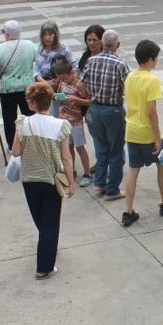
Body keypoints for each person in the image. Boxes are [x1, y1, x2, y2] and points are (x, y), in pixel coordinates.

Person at [11, 81, 75, 278]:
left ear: (31, 103)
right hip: (51, 179)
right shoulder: (61, 125)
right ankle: (44, 266)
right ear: (50, 100)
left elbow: (15, 151)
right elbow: (66, 157)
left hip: (29, 179)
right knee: (50, 221)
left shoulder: (23, 123)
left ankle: (48, 245)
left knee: (40, 218)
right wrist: (71, 182)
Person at [122, 39, 163, 227]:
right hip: (147, 132)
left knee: (133, 170)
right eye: (156, 58)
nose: (157, 61)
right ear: (150, 60)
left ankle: (128, 210)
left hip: (131, 130)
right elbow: (152, 113)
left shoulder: (130, 76)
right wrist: (157, 138)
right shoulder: (152, 80)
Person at [81, 28, 130, 202]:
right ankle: (112, 190)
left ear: (102, 43)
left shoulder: (91, 61)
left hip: (94, 109)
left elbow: (81, 85)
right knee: (116, 151)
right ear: (117, 45)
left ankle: (100, 183)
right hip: (113, 110)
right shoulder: (120, 64)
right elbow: (128, 88)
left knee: (101, 148)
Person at [0, 20, 36, 149]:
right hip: (27, 87)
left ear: (7, 34)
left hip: (7, 89)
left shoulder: (1, 48)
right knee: (29, 115)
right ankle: (31, 142)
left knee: (9, 119)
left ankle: (12, 146)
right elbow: (38, 60)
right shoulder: (30, 45)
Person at [48, 55, 92, 186]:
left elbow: (89, 101)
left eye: (63, 77)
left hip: (76, 121)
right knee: (68, 147)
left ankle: (87, 173)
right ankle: (71, 170)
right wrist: (57, 98)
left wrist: (75, 100)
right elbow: (61, 95)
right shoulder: (62, 82)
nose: (61, 80)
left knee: (80, 147)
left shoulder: (79, 84)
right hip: (64, 120)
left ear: (69, 73)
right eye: (59, 78)